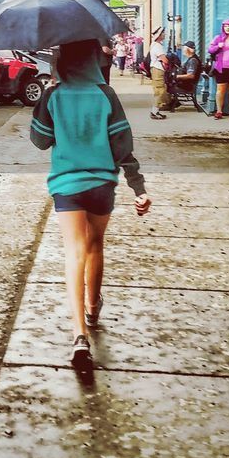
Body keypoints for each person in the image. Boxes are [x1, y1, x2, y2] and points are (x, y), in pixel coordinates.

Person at [29, 39, 151, 369]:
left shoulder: (54, 94)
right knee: (95, 245)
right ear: (94, 60)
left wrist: (46, 101)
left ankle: (79, 336)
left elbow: (40, 140)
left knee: (75, 251)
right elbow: (122, 145)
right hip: (102, 183)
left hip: (67, 183)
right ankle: (93, 309)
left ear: (63, 61)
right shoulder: (106, 94)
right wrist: (138, 188)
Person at [206, 19, 229, 120]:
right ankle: (219, 111)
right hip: (221, 68)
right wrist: (218, 46)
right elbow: (210, 50)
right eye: (226, 26)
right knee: (221, 90)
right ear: (223, 27)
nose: (228, 28)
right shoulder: (218, 37)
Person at [148, 28, 170, 120]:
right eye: (163, 33)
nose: (164, 34)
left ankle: (156, 110)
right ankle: (154, 111)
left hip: (156, 69)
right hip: (158, 70)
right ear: (159, 36)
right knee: (160, 91)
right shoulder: (157, 46)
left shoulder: (155, 45)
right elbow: (164, 59)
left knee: (159, 90)